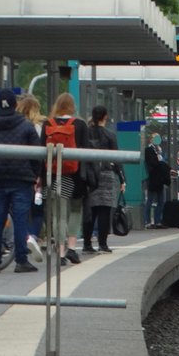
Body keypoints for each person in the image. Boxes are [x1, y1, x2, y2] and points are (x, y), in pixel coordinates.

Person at [0, 88, 41, 273]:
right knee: (21, 218)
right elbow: (37, 154)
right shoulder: (26, 125)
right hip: (21, 179)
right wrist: (34, 174)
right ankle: (21, 260)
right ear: (15, 105)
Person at [42, 92, 91, 266]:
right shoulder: (80, 125)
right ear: (73, 106)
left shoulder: (48, 124)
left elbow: (42, 153)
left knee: (58, 215)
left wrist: (41, 179)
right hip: (76, 176)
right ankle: (71, 248)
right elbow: (86, 152)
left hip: (54, 175)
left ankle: (60, 253)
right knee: (75, 211)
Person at [84, 106, 125, 254]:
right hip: (106, 174)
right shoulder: (110, 135)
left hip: (89, 175)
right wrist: (122, 179)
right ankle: (102, 244)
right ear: (105, 117)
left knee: (90, 210)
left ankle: (87, 244)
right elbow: (117, 158)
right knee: (104, 210)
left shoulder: (86, 133)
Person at [16, 94, 46, 263]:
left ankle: (26, 237)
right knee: (38, 209)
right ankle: (32, 236)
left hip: (16, 172)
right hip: (34, 172)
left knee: (20, 210)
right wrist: (39, 175)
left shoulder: (15, 125)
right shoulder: (39, 127)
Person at [143, 132, 168, 228]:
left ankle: (158, 220)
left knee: (161, 200)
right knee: (150, 200)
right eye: (154, 138)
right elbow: (154, 164)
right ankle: (147, 221)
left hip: (159, 179)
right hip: (152, 178)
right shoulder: (149, 150)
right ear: (151, 139)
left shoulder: (160, 151)